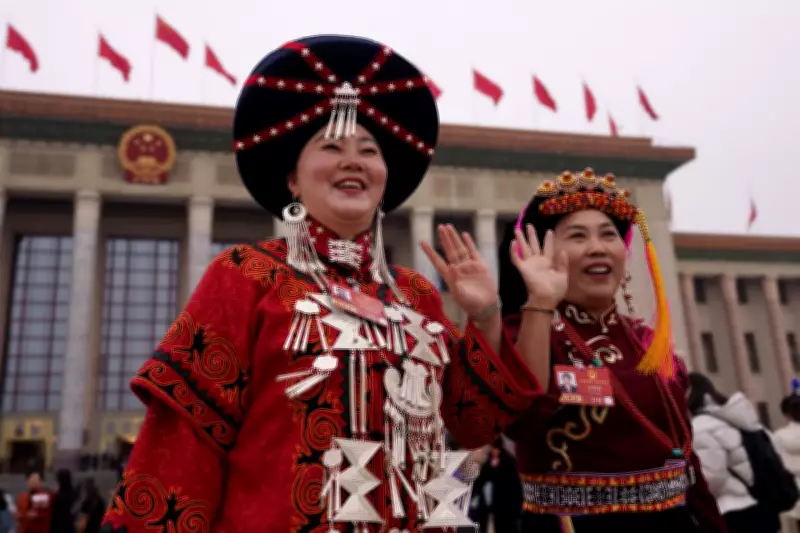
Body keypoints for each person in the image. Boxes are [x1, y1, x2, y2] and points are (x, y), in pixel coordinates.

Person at [100, 35, 542, 532]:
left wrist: (484, 315)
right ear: (293, 179)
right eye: (331, 147)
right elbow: (183, 446)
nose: (353, 160)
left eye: (369, 151)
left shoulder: (415, 294)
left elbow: (475, 425)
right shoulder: (247, 274)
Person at [497, 169, 727, 532]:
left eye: (608, 234)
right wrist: (540, 302)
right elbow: (520, 422)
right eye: (578, 235)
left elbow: (686, 457)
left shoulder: (647, 341)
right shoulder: (527, 331)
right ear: (545, 253)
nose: (598, 247)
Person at [687, 372, 783, 533]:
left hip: (732, 511)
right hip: (764, 506)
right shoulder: (743, 420)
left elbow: (711, 478)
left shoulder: (701, 428)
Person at [471, 438, 523, 533]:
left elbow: (515, 486)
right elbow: (481, 480)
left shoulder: (507, 460)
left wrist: (517, 507)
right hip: (490, 505)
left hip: (505, 506)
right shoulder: (489, 459)